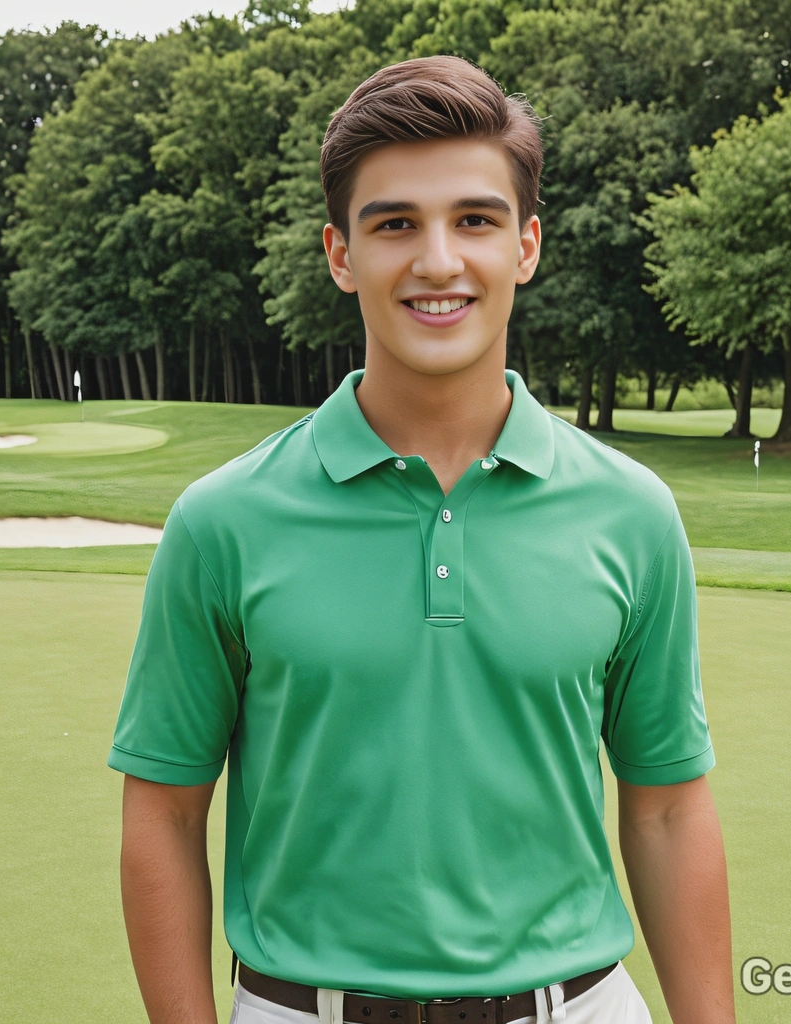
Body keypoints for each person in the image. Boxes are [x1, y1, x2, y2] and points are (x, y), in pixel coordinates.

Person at [108, 55, 735, 1024]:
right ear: (339, 253)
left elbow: (664, 806)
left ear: (525, 246)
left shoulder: (632, 511)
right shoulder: (222, 520)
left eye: (474, 220)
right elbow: (164, 812)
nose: (437, 260)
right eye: (395, 223)